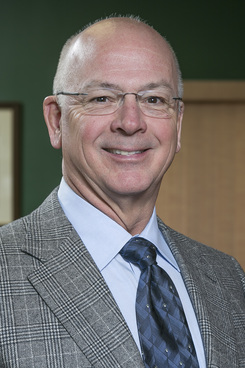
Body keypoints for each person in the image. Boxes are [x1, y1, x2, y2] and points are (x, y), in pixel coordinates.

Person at [0, 15, 244, 368]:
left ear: (178, 125)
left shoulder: (227, 279)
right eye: (101, 97)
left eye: (155, 100)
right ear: (56, 121)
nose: (130, 122)